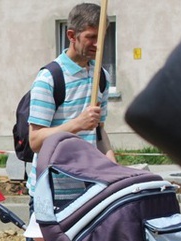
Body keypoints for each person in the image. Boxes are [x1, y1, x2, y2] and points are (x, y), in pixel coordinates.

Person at [26, 2, 115, 199]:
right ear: (71, 36)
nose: (98, 44)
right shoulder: (49, 78)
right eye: (91, 37)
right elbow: (36, 141)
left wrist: (114, 169)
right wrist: (77, 124)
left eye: (101, 37)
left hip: (89, 190)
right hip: (52, 194)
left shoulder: (102, 76)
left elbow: (99, 131)